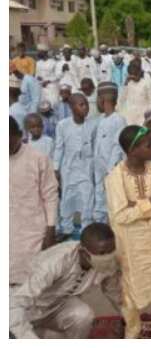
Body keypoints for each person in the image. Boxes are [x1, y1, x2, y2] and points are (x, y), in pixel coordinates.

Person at [105, 125, 151, 339]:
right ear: (133, 150)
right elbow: (120, 216)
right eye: (148, 145)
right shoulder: (115, 177)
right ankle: (132, 332)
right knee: (131, 292)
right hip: (131, 246)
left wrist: (136, 206)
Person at [9, 223, 121, 339]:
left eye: (111, 251)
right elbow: (15, 305)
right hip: (26, 308)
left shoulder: (106, 264)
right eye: (102, 253)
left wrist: (128, 321)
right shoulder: (55, 262)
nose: (108, 257)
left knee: (83, 315)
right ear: (83, 253)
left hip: (57, 305)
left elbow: (115, 293)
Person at [9, 116, 58, 286]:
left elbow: (50, 195)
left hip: (34, 233)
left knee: (36, 282)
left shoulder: (37, 158)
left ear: (19, 135)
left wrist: (51, 230)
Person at [54, 94, 98, 240]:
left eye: (86, 104)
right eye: (81, 104)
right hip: (69, 168)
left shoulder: (92, 125)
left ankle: (86, 228)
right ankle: (66, 228)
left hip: (86, 167)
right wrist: (56, 169)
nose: (86, 107)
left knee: (87, 198)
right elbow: (59, 147)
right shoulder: (63, 125)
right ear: (72, 107)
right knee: (67, 198)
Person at [93, 82, 127, 224]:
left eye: (98, 99)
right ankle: (100, 224)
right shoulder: (100, 119)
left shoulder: (118, 119)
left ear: (103, 100)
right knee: (100, 195)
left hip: (111, 167)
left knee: (113, 196)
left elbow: (117, 145)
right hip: (99, 165)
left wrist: (110, 168)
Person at [117, 61, 151, 125]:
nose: (133, 77)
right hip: (130, 115)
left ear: (139, 72)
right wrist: (125, 84)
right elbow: (122, 98)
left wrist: (149, 115)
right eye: (131, 75)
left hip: (143, 115)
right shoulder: (128, 83)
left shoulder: (146, 83)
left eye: (135, 74)